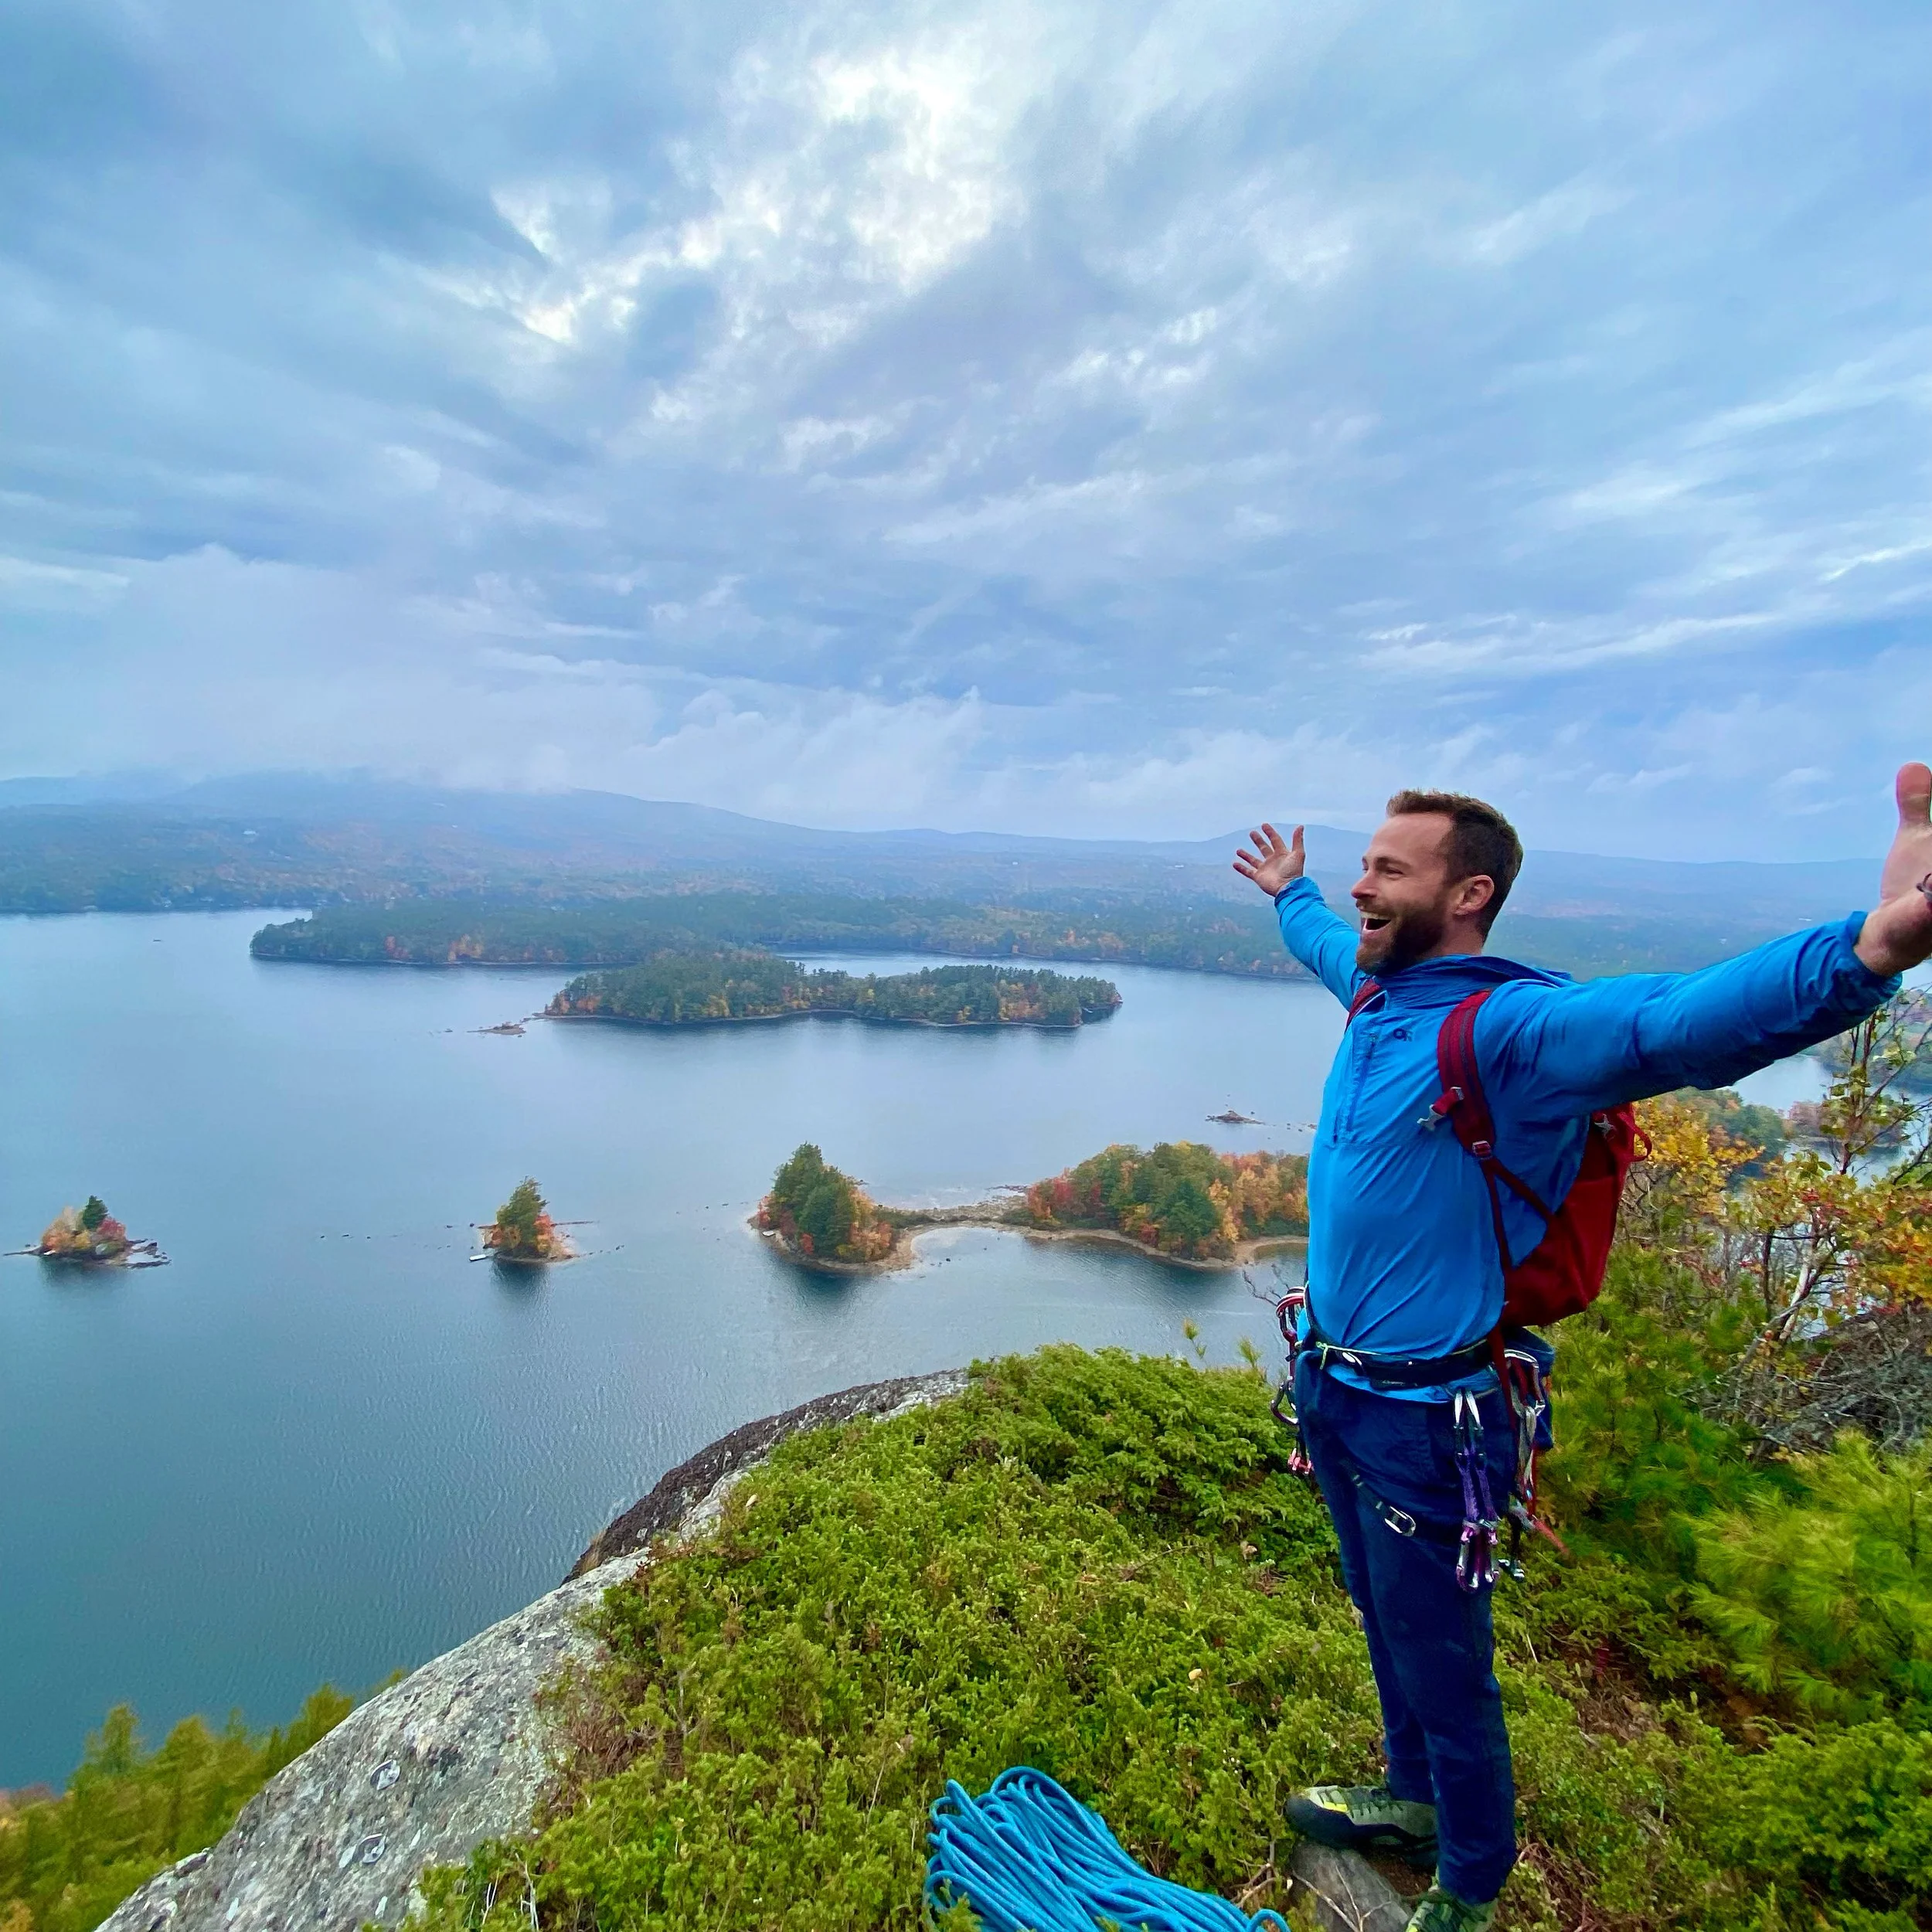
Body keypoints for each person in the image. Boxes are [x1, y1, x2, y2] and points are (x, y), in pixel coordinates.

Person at [1232, 765, 1932, 1932]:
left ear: (1470, 894)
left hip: (1429, 1421)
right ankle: (1411, 1802)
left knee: (1444, 1656)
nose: (1363, 883)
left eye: (1387, 869)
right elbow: (1323, 942)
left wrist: (1866, 953)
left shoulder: (1510, 1031)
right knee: (1381, 1609)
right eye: (1362, 863)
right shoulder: (1376, 989)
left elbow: (1676, 1022)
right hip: (1339, 1387)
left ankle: (1470, 1879)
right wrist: (1292, 893)